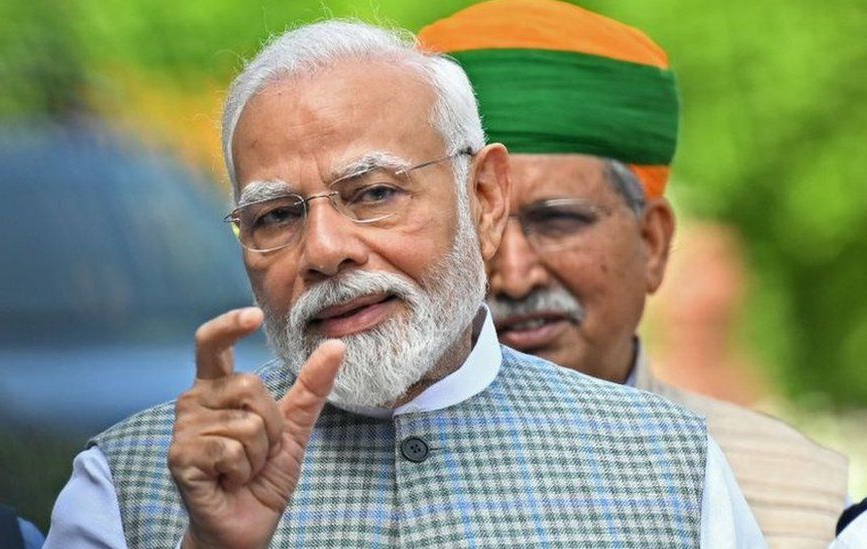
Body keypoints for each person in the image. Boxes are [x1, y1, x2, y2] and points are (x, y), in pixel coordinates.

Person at [45, 20, 763, 548]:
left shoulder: (670, 466)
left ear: (484, 198)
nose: (324, 250)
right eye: (276, 215)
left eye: (374, 194)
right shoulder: (130, 484)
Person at [418, 0, 848, 545]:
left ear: (653, 242)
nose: (515, 276)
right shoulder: (318, 477)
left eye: (559, 221)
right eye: (480, 226)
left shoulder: (796, 498)